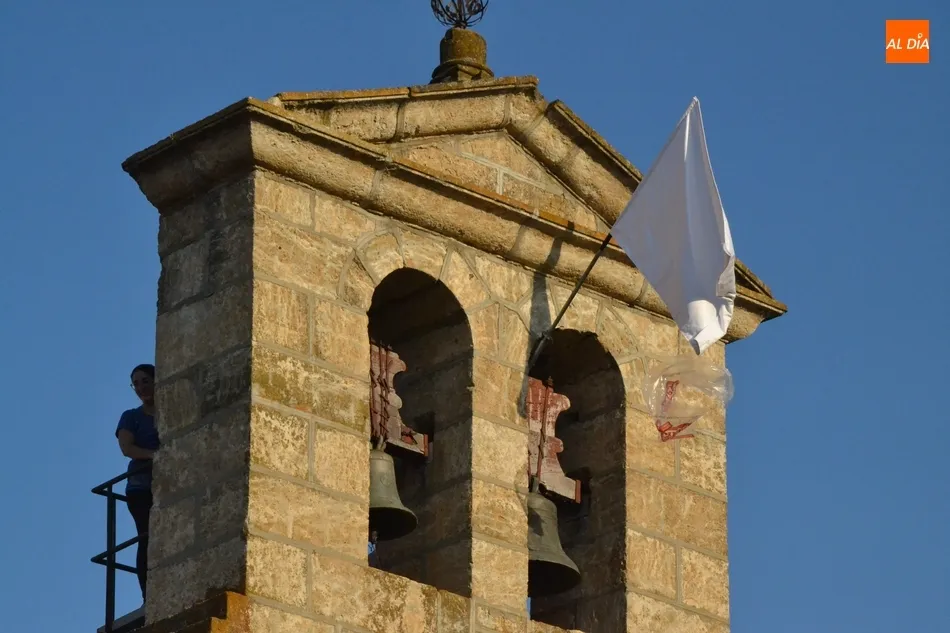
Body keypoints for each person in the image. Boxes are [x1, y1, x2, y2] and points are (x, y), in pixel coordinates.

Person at [115, 363, 160, 601]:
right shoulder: (131, 416)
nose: (141, 387)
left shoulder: (169, 413)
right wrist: (156, 456)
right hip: (141, 486)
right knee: (146, 536)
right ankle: (148, 595)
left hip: (165, 482)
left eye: (145, 380)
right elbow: (127, 448)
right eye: (136, 383)